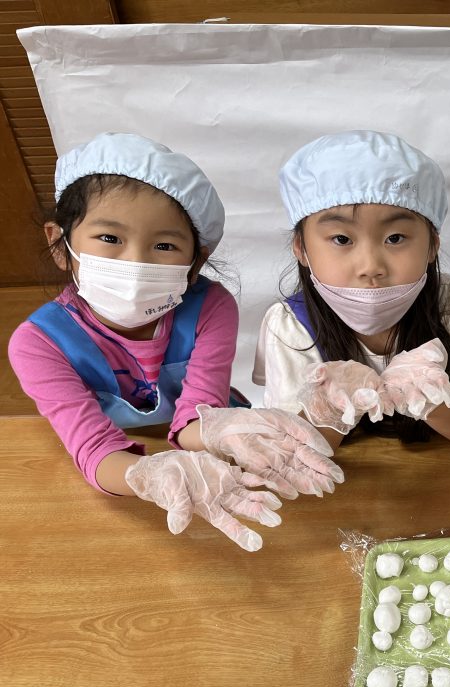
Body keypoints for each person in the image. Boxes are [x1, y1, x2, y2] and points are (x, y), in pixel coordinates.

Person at [8, 133, 342, 552]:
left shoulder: (211, 307)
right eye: (110, 238)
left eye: (164, 245)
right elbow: (94, 449)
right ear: (60, 243)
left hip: (213, 444)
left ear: (195, 262)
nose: (135, 262)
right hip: (129, 475)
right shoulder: (39, 344)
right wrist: (148, 475)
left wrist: (227, 434)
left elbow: (196, 419)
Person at [254, 130, 450, 447]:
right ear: (301, 248)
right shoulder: (288, 326)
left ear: (433, 245)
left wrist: (426, 395)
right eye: (342, 239)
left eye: (395, 238)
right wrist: (333, 404)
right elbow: (296, 446)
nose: (370, 266)